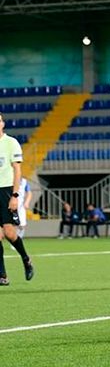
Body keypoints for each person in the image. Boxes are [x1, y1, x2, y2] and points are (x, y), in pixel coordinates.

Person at [0, 113, 34, 285]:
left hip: (6, 191)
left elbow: (17, 171)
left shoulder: (11, 143)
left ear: (2, 124)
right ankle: (2, 275)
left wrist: (15, 195)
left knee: (9, 232)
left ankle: (26, 259)